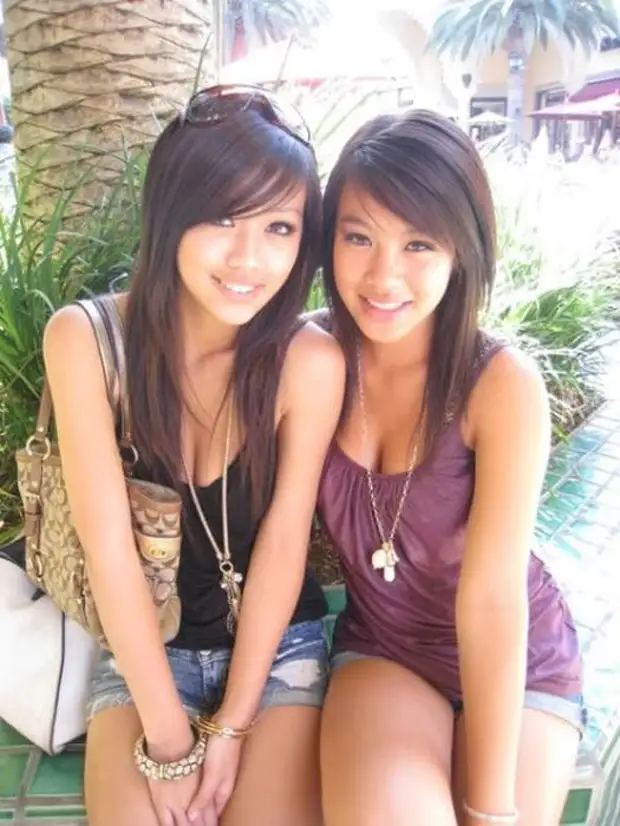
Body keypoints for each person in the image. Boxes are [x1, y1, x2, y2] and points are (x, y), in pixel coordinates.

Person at [43, 84, 345, 826]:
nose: (249, 258)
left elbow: (284, 543)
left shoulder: (307, 361)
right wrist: (171, 742)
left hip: (277, 650)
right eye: (222, 217)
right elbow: (109, 550)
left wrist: (233, 726)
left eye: (279, 227)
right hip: (150, 652)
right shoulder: (89, 343)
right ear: (169, 213)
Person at [314, 110, 584, 826]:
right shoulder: (312, 361)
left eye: (419, 243)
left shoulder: (501, 385)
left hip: (519, 659)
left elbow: (493, 600)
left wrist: (490, 810)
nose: (383, 276)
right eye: (358, 237)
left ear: (461, 250)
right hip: (387, 648)